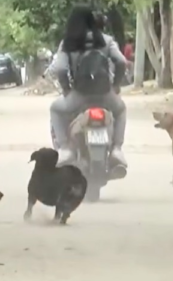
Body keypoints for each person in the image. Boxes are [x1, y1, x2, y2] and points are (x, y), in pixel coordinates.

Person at [50, 5, 128, 180]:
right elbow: (121, 62)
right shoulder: (106, 41)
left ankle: (65, 149)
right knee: (121, 110)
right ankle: (116, 149)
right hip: (105, 95)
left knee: (55, 109)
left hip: (79, 95)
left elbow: (61, 69)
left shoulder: (68, 43)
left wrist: (66, 90)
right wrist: (115, 85)